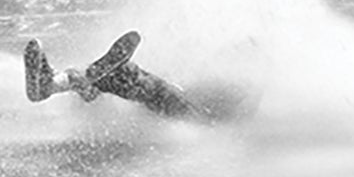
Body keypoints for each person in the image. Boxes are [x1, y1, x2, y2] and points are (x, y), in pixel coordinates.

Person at [23, 31, 258, 123]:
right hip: (183, 113)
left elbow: (231, 118)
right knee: (97, 81)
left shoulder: (246, 88)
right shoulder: (236, 84)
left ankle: (86, 80)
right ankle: (52, 84)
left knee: (142, 81)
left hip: (196, 119)